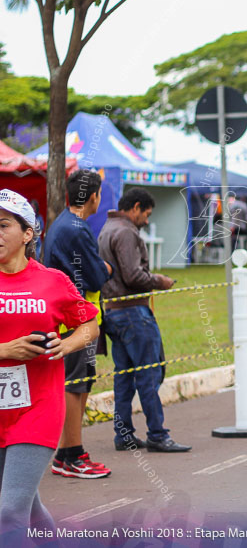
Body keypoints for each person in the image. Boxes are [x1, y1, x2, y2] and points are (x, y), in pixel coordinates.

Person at [0, 189, 99, 542]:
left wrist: (66, 345)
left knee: (9, 512)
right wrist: (6, 349)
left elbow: (90, 323)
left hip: (37, 408)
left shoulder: (51, 281)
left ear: (28, 234)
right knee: (28, 507)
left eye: (3, 225)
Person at [98, 188, 191, 453]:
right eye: (146, 214)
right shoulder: (126, 232)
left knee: (124, 377)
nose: (147, 220)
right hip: (133, 313)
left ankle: (124, 434)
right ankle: (158, 434)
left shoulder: (107, 229)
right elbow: (133, 277)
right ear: (136, 207)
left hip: (114, 312)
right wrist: (159, 281)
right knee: (149, 374)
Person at [43, 170, 113, 478]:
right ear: (94, 196)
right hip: (74, 318)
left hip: (71, 315)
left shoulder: (62, 223)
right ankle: (71, 454)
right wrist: (107, 268)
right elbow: (97, 275)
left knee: (79, 382)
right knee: (75, 383)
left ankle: (68, 452)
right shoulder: (77, 228)